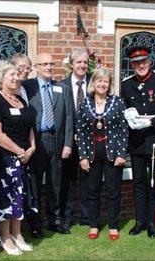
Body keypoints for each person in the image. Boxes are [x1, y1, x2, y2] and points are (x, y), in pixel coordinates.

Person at [120, 45, 155, 238]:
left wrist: (151, 122)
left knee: (154, 182)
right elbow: (125, 111)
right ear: (132, 64)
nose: (140, 65)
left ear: (150, 61)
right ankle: (139, 222)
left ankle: (152, 222)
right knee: (138, 183)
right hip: (136, 140)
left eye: (143, 61)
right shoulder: (126, 84)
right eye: (136, 63)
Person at [0, 60, 36, 255]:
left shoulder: (20, 99)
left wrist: (32, 147)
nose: (16, 77)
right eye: (11, 75)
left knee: (20, 197)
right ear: (1, 78)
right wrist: (20, 152)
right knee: (6, 198)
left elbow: (30, 125)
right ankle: (4, 236)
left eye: (17, 74)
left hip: (24, 158)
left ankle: (17, 234)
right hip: (5, 160)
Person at [22, 52, 74, 237]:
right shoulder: (26, 87)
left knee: (55, 183)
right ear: (36, 67)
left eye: (51, 64)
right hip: (36, 141)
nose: (49, 67)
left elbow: (69, 118)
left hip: (57, 141)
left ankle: (55, 221)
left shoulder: (62, 88)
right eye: (44, 64)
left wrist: (68, 143)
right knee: (34, 184)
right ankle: (35, 224)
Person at [76, 68, 128, 241]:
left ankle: (113, 226)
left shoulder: (118, 102)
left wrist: (121, 153)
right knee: (92, 192)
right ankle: (93, 225)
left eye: (105, 81)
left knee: (113, 191)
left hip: (113, 153)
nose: (102, 84)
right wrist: (82, 156)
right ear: (94, 83)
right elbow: (80, 131)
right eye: (99, 81)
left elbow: (123, 130)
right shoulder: (85, 103)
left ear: (109, 84)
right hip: (91, 154)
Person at [59, 48, 91, 230]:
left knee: (88, 179)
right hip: (68, 142)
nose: (82, 65)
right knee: (68, 180)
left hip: (90, 141)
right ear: (71, 64)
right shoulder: (61, 85)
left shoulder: (95, 85)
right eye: (78, 62)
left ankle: (86, 217)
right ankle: (67, 217)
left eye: (85, 62)